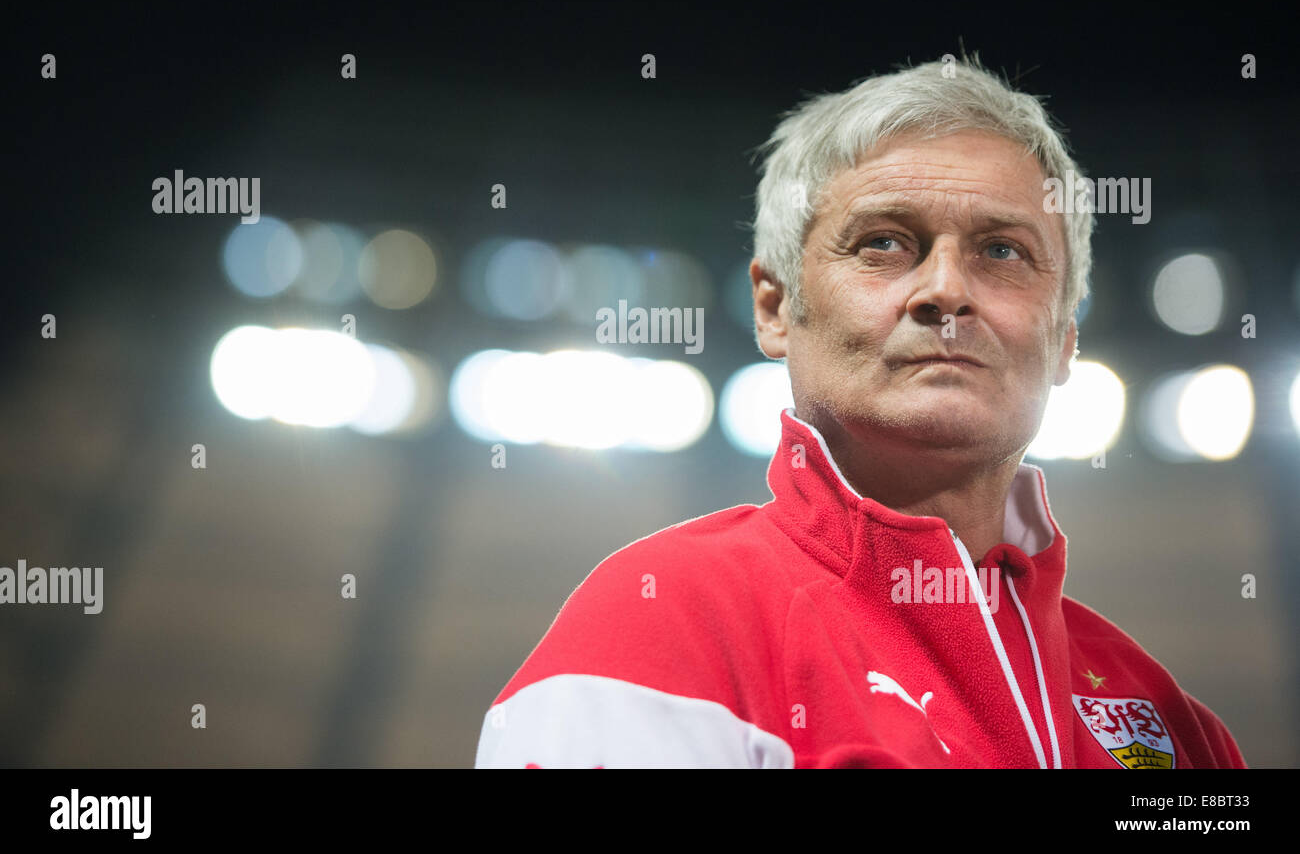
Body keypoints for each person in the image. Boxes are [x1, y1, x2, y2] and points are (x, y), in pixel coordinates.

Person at [474, 55, 1247, 768]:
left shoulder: (1171, 725)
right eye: (884, 242)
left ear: (1066, 335)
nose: (947, 291)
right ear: (775, 306)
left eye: (1002, 252)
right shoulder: (656, 631)